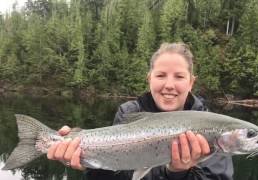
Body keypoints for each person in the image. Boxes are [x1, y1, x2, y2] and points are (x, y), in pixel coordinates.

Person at [47, 42, 234, 180]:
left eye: (179, 76)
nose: (169, 85)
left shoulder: (213, 126)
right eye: (160, 75)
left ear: (191, 82)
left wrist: (178, 174)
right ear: (149, 79)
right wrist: (84, 161)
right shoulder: (128, 113)